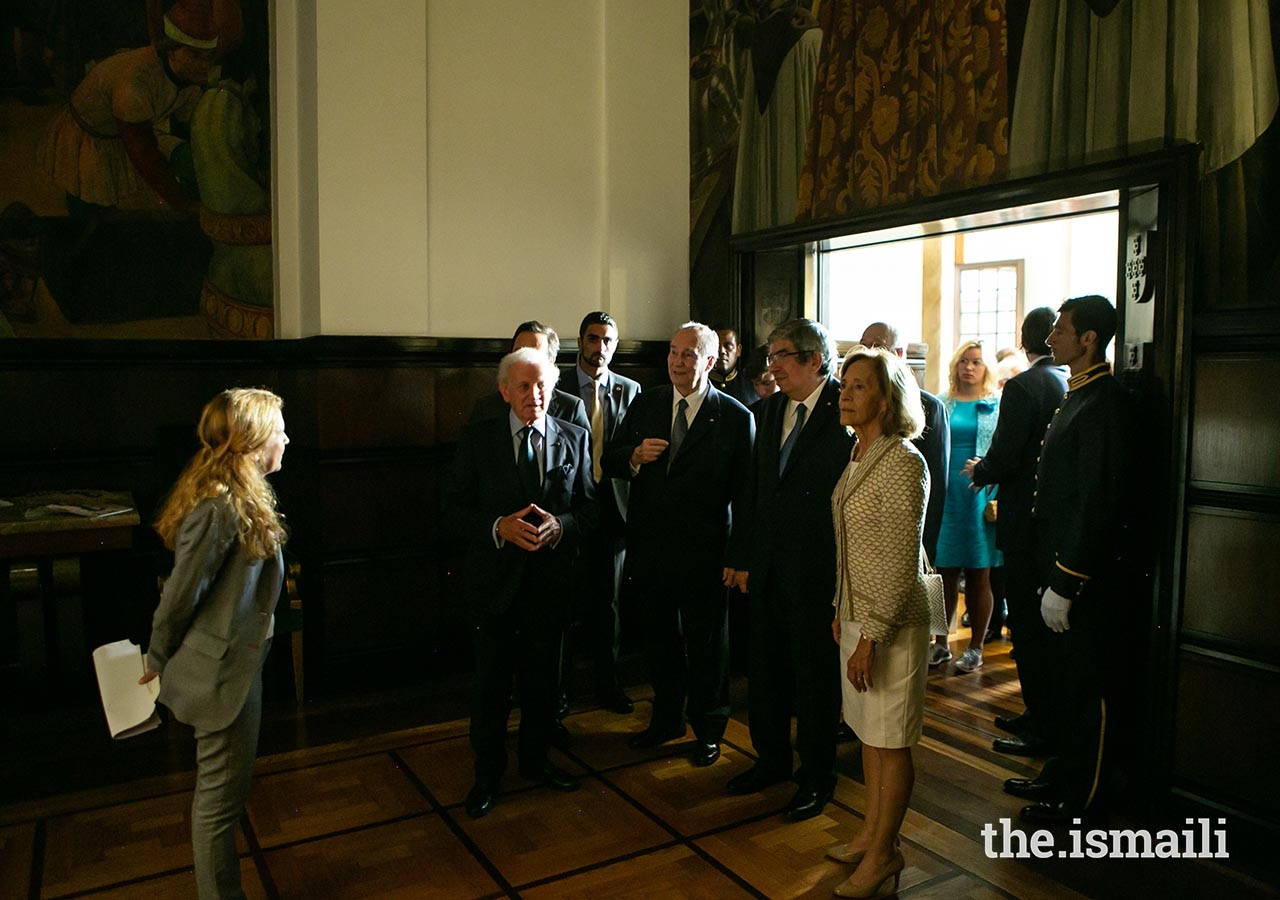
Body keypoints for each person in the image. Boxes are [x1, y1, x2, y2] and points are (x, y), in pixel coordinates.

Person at [140, 387, 288, 900]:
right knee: (218, 805)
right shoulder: (219, 506)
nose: (286, 439)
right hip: (220, 677)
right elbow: (179, 596)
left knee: (225, 798)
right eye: (279, 430)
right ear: (254, 440)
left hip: (239, 668)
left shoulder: (242, 493)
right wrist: (155, 657)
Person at [444, 348, 598, 819]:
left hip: (548, 587)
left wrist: (562, 527)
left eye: (544, 385)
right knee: (491, 687)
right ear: (505, 390)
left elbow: (591, 511)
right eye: (526, 386)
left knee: (542, 685)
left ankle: (535, 762)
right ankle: (487, 775)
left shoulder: (573, 436)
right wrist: (497, 526)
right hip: (493, 588)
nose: (536, 395)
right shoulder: (478, 439)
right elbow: (452, 511)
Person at [603, 322, 754, 768]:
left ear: (710, 362)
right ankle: (666, 720)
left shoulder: (734, 417)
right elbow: (610, 457)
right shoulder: (646, 403)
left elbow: (746, 496)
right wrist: (633, 456)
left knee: (708, 646)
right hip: (651, 550)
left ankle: (708, 729)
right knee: (660, 641)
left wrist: (738, 556)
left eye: (689, 355)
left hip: (706, 555)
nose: (677, 361)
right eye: (673, 352)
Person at [726, 319, 852, 822]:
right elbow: (753, 493)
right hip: (769, 569)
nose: (771, 365)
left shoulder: (846, 407)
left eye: (781, 355)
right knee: (767, 671)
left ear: (813, 360)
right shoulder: (769, 409)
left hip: (820, 570)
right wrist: (743, 557)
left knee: (815, 679)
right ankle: (771, 761)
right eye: (770, 355)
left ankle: (817, 776)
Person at [1019, 295, 1133, 824]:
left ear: (1088, 339)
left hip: (1082, 574)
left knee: (1088, 690)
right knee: (1066, 683)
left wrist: (1067, 579)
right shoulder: (1077, 395)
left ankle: (1086, 798)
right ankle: (1063, 773)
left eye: (1060, 330)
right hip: (1056, 560)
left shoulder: (1104, 400)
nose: (1051, 338)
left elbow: (1095, 499)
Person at [826, 348, 933, 898]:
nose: (845, 393)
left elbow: (897, 561)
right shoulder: (859, 453)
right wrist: (841, 608)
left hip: (891, 626)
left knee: (892, 741)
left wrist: (869, 636)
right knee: (870, 734)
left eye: (860, 386)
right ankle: (871, 833)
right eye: (845, 384)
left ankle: (887, 854)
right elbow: (852, 546)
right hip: (858, 616)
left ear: (887, 399)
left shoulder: (903, 461)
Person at [963, 308, 1067, 760]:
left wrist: (979, 470)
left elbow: (1005, 455)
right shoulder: (1065, 379)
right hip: (1052, 526)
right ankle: (1038, 715)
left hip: (1024, 522)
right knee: (1037, 632)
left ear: (1026, 338)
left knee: (1026, 628)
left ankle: (1040, 723)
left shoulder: (1024, 385)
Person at [567, 310, 641, 713]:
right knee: (563, 600)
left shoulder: (630, 390)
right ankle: (560, 691)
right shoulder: (557, 385)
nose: (600, 348)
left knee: (608, 603)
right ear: (579, 341)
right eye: (593, 339)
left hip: (613, 508)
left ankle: (607, 685)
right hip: (569, 508)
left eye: (608, 341)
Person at [932, 340, 1001, 672]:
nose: (969, 367)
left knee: (978, 572)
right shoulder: (942, 403)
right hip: (946, 493)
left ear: (986, 368)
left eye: (976, 362)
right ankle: (941, 642)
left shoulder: (995, 405)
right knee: (942, 572)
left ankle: (975, 646)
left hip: (979, 493)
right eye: (964, 361)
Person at [858, 323, 950, 562]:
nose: (867, 355)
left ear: (899, 354)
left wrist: (925, 551)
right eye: (864, 346)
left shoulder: (929, 408)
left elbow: (935, 486)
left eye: (876, 347)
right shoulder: (854, 404)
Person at [468, 321, 591, 434]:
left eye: (533, 353)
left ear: (551, 361)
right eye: (519, 353)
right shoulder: (487, 408)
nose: (524, 360)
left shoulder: (571, 409)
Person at [710, 324, 760, 408]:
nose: (721, 351)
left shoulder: (752, 385)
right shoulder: (698, 385)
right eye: (716, 346)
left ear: (738, 350)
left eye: (728, 346)